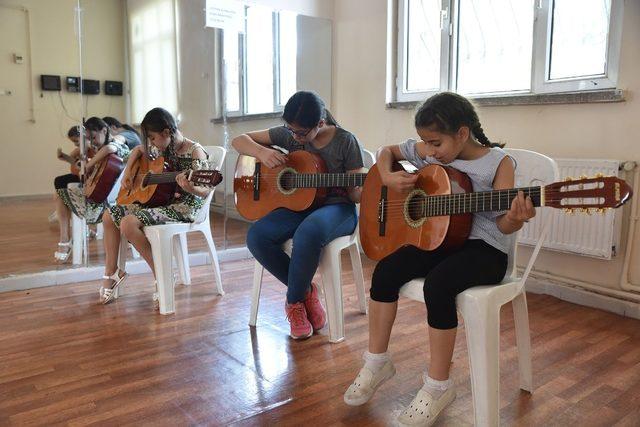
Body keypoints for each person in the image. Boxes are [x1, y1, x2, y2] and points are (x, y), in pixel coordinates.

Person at [343, 92, 536, 426]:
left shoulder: (498, 163)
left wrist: (516, 219)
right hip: (441, 240)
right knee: (386, 272)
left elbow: (504, 224)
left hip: (486, 250)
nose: (428, 152)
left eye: (434, 144)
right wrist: (388, 176)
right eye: (424, 144)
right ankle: (376, 361)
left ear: (462, 134)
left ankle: (438, 386)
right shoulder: (430, 148)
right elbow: (386, 153)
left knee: (439, 285)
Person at [231, 91, 365, 340]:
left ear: (321, 124)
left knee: (308, 232)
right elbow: (239, 140)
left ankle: (294, 302)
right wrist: (261, 153)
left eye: (301, 133)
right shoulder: (291, 134)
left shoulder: (346, 141)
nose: (294, 137)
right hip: (299, 206)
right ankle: (306, 291)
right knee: (257, 236)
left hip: (337, 209)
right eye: (290, 130)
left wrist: (366, 191)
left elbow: (355, 194)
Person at [99, 107, 211, 305]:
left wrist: (190, 188)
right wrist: (127, 174)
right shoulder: (164, 147)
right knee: (110, 215)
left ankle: (162, 275)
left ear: (166, 132)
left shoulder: (196, 151)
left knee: (128, 224)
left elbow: (205, 190)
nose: (151, 143)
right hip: (164, 202)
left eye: (152, 138)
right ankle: (112, 272)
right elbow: (138, 150)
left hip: (184, 207)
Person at [53, 119, 129, 262]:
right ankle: (65, 238)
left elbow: (110, 149)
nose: (92, 142)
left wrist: (88, 165)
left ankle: (65, 241)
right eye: (89, 139)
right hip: (98, 195)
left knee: (59, 193)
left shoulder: (117, 146)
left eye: (93, 138)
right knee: (59, 192)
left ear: (105, 131)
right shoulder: (99, 150)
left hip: (103, 204)